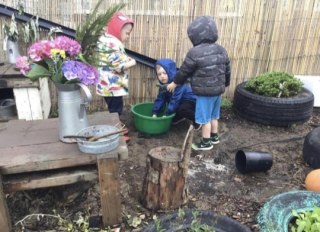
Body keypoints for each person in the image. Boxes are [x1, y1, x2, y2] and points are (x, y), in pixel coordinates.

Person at [167, 16, 231, 151]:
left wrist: (175, 82)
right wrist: (226, 83)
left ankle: (205, 142)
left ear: (194, 35)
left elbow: (184, 71)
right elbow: (227, 69)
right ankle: (215, 137)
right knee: (214, 116)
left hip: (204, 93)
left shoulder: (194, 52)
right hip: (218, 91)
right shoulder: (222, 50)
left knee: (204, 118)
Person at [96, 12, 137, 116]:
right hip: (113, 87)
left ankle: (116, 126)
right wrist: (132, 62)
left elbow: (115, 58)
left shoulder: (104, 40)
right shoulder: (113, 44)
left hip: (106, 86)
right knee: (116, 110)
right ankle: (117, 129)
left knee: (113, 108)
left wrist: (126, 58)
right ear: (117, 30)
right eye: (127, 33)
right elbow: (118, 66)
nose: (128, 36)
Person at [152, 58, 199, 128]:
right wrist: (155, 113)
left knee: (182, 109)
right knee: (173, 119)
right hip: (180, 102)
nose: (162, 76)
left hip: (191, 101)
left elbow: (175, 100)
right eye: (159, 74)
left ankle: (197, 120)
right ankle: (180, 116)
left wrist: (166, 115)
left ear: (170, 72)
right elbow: (160, 99)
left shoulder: (177, 84)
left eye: (165, 73)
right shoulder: (163, 86)